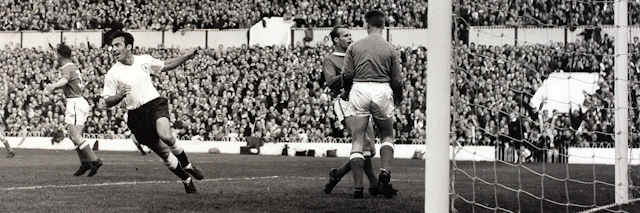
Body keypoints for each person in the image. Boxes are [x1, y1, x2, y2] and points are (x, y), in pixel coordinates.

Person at [101, 31, 204, 194]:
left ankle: (187, 165)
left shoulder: (144, 61)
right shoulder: (113, 74)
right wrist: (119, 95)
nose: (113, 49)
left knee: (166, 136)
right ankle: (186, 179)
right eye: (112, 46)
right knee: (163, 153)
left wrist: (187, 56)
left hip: (154, 105)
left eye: (117, 45)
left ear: (129, 47)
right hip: (135, 116)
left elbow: (167, 65)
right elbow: (106, 101)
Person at [342, 10, 403, 199]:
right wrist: (398, 97)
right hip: (382, 89)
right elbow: (397, 80)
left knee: (358, 140)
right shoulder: (391, 49)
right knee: (387, 135)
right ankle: (385, 170)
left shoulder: (355, 46)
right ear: (383, 25)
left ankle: (358, 189)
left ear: (366, 25)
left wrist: (346, 90)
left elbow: (347, 75)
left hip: (360, 88)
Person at [321, 25, 381, 197]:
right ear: (336, 40)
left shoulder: (354, 56)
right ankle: (366, 186)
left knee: (370, 148)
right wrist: (349, 75)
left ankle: (338, 174)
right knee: (363, 142)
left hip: (361, 100)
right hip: (344, 101)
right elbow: (331, 82)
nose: (350, 38)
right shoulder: (330, 59)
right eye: (346, 35)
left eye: (350, 35)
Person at [44, 43, 103, 176]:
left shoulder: (67, 67)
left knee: (75, 136)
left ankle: (94, 160)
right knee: (73, 136)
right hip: (77, 102)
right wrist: (55, 87)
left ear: (59, 55)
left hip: (75, 103)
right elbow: (68, 82)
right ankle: (85, 163)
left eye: (56, 55)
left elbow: (65, 80)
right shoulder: (73, 67)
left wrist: (53, 86)